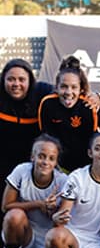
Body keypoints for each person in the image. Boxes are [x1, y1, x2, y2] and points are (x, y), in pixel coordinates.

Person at [1, 135, 67, 248]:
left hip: (47, 237)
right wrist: (38, 204)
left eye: (51, 158)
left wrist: (52, 210)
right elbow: (6, 206)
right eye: (41, 156)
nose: (45, 162)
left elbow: (65, 219)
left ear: (56, 162)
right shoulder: (21, 171)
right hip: (25, 232)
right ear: (33, 157)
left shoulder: (63, 180)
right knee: (13, 216)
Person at [37, 56, 99, 173]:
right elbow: (46, 137)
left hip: (83, 168)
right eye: (64, 87)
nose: (69, 92)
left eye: (74, 87)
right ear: (57, 87)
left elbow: (91, 141)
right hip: (56, 166)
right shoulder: (48, 104)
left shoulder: (87, 106)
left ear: (81, 89)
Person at [0, 59, 54, 190]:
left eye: (21, 79)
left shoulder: (42, 91)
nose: (16, 84)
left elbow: (69, 92)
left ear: (30, 81)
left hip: (33, 162)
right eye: (11, 79)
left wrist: (94, 96)